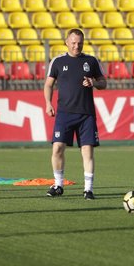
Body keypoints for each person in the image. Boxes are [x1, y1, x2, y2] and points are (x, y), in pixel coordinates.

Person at [44, 28, 107, 200]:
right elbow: (48, 84)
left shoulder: (91, 61)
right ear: (67, 42)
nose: (76, 46)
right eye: (73, 43)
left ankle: (88, 189)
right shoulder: (57, 61)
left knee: (87, 151)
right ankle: (58, 185)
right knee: (57, 148)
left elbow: (103, 83)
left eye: (79, 43)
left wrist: (93, 82)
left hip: (86, 114)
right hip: (64, 113)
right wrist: (48, 103)